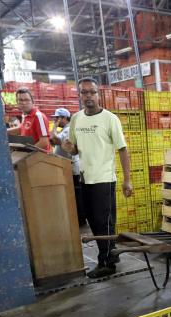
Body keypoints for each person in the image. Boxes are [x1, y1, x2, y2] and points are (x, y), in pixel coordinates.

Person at [61, 77, 133, 279]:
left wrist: (127, 180)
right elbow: (75, 150)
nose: (88, 96)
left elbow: (122, 150)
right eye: (84, 92)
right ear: (80, 95)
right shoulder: (76, 118)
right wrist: (69, 148)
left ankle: (107, 264)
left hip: (104, 179)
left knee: (105, 223)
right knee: (93, 221)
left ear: (98, 94)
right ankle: (111, 255)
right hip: (85, 179)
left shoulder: (110, 119)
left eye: (92, 92)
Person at [49, 107, 85, 228]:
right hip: (68, 168)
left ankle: (80, 220)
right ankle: (79, 219)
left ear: (64, 118)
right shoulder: (66, 129)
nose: (56, 121)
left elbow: (55, 140)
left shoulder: (68, 130)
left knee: (76, 195)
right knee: (75, 195)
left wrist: (54, 127)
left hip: (71, 169)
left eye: (58, 118)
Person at [6, 87, 50, 151]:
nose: (24, 103)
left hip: (40, 158)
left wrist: (28, 152)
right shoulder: (25, 116)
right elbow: (21, 129)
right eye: (21, 100)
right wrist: (3, 132)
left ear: (32, 101)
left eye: (26, 100)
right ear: (17, 102)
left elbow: (44, 142)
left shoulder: (38, 117)